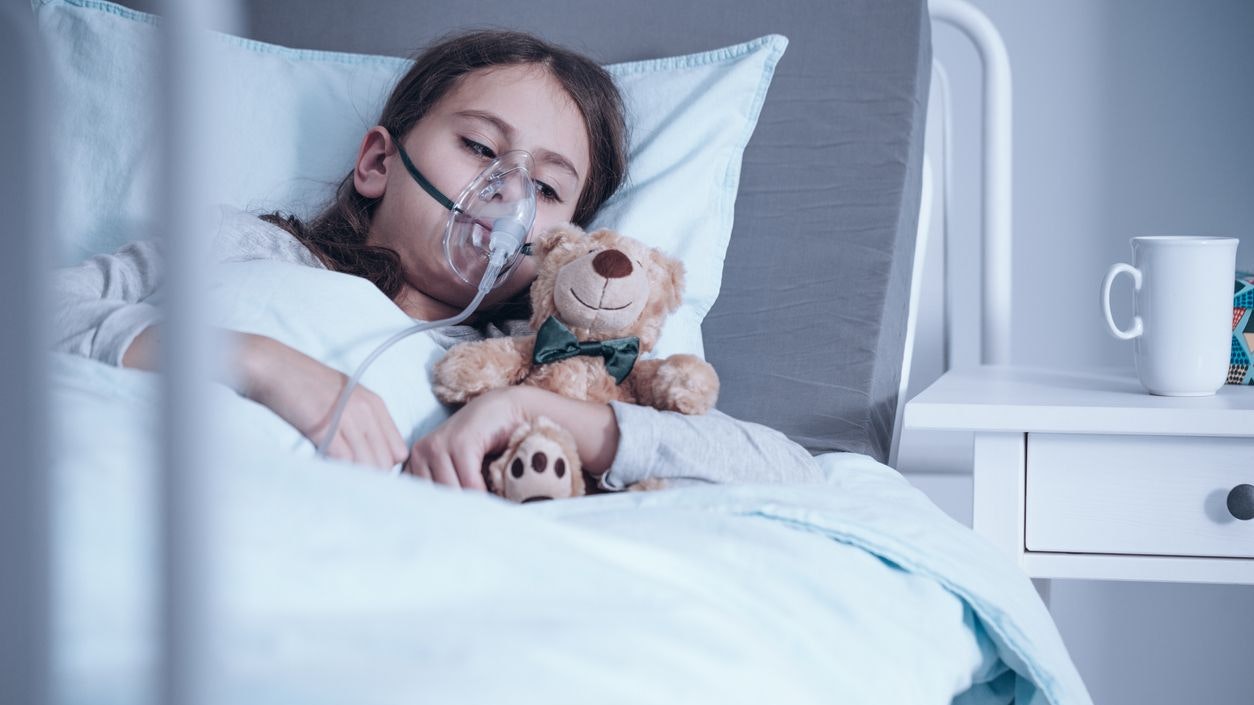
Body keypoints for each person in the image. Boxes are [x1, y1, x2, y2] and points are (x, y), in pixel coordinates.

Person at [52, 30, 822, 491]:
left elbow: (787, 473)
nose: (506, 194)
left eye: (548, 188)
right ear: (378, 164)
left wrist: (535, 411)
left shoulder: (507, 367)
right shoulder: (243, 248)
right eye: (480, 148)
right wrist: (260, 362)